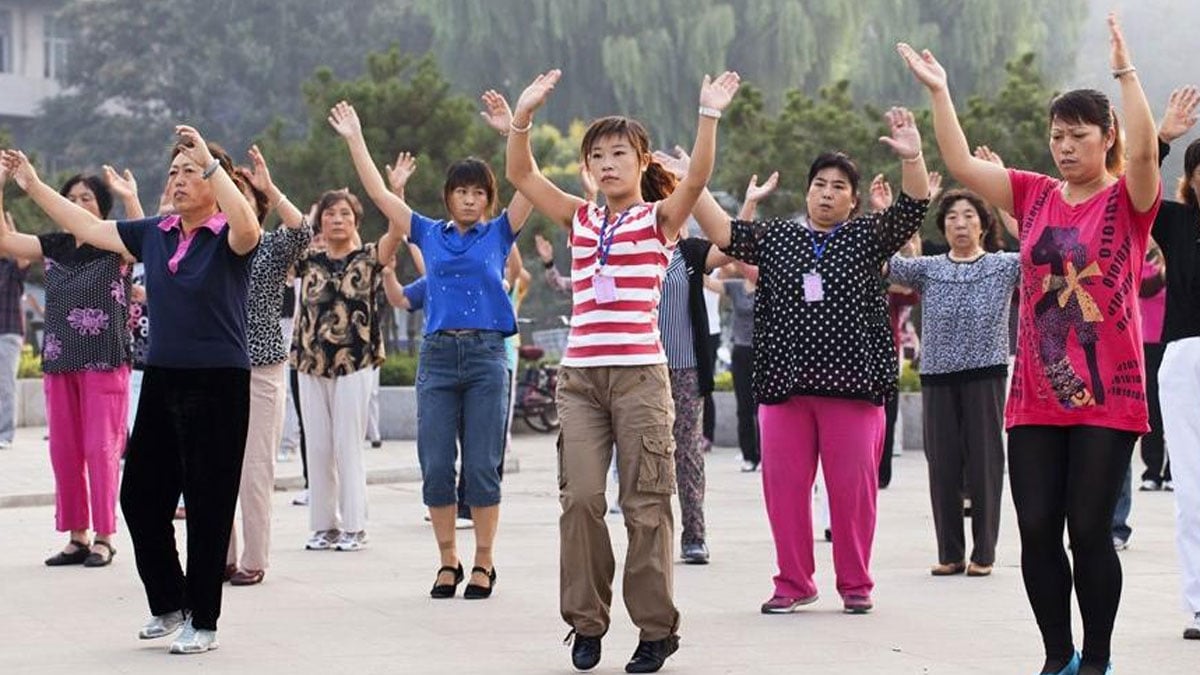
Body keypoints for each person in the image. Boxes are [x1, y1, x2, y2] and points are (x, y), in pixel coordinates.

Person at [900, 13, 1161, 674]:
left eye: (1078, 136)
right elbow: (958, 165)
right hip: (1036, 396)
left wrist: (1126, 73)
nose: (1065, 147)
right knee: (1038, 529)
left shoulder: (1130, 200)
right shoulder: (1035, 192)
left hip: (1109, 395)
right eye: (1057, 136)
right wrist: (940, 92)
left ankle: (1096, 657)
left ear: (1106, 138)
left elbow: (1144, 155)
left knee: (1088, 532)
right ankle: (1059, 656)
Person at [506, 68, 740, 673]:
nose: (607, 164)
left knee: (646, 504)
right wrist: (523, 118)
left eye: (618, 154)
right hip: (580, 379)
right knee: (581, 499)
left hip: (640, 376)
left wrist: (708, 114)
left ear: (639, 163)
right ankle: (586, 623)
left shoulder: (658, 220)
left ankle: (656, 630)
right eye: (597, 156)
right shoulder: (580, 219)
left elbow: (700, 178)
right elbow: (521, 175)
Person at [3, 125, 261, 655]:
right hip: (164, 378)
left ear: (217, 180)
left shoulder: (230, 235)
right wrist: (30, 184)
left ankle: (204, 621)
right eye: (174, 171)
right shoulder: (156, 231)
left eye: (191, 171)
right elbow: (86, 226)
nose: (179, 179)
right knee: (140, 498)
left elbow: (249, 224)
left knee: (209, 506)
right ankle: (169, 603)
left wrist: (209, 158)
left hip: (219, 382)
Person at [692, 103, 930, 619]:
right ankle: (794, 581)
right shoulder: (778, 238)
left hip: (854, 388)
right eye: (820, 183)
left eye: (839, 186)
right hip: (783, 388)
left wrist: (913, 158)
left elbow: (912, 209)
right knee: (784, 493)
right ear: (807, 191)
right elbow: (722, 231)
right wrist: (689, 176)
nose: (827, 192)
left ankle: (855, 583)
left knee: (853, 495)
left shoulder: (869, 237)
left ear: (855, 199)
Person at [329, 93, 528, 598]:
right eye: (460, 191)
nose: (469, 199)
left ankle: (484, 561)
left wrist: (513, 131)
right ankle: (448, 561)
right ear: (447, 196)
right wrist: (356, 140)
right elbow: (377, 193)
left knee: (482, 464)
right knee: (437, 463)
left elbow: (529, 184)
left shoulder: (500, 233)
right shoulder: (427, 232)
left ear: (488, 198)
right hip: (438, 358)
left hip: (486, 356)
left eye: (478, 192)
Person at [0, 167, 142, 568]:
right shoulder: (55, 244)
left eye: (87, 199)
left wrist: (130, 197)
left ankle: (104, 536)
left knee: (100, 449)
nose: (78, 205)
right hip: (61, 358)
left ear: (102, 207)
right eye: (72, 198)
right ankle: (76, 535)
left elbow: (146, 241)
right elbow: (6, 240)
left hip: (105, 359)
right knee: (65, 451)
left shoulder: (116, 242)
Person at [886, 189, 1020, 578]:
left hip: (986, 374)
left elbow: (1044, 259)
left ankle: (984, 552)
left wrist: (1006, 202)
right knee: (942, 463)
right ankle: (950, 552)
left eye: (968, 217)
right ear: (943, 227)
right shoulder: (928, 267)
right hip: (938, 376)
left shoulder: (1003, 265)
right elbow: (885, 264)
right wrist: (889, 215)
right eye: (951, 218)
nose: (960, 224)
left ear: (982, 225)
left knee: (985, 463)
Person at [292, 185, 399, 553]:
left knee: (346, 444)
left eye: (345, 215)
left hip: (355, 360)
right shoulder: (308, 261)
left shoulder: (369, 258)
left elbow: (398, 230)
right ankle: (324, 526)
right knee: (318, 446)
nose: (337, 220)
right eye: (330, 214)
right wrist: (304, 217)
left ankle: (354, 526)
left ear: (356, 221)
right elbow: (290, 242)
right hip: (310, 361)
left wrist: (396, 190)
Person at [224, 145, 312, 585]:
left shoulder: (270, 247)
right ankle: (221, 554)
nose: (234, 200)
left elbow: (302, 232)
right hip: (215, 368)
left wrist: (271, 190)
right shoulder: (210, 247)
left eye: (242, 194)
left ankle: (254, 560)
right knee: (214, 465)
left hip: (260, 368)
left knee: (254, 467)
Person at [1145, 84, 1200, 642]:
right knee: (1192, 487)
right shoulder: (1178, 222)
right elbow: (1127, 191)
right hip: (1186, 357)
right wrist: (1160, 138)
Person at [702, 172, 776, 473]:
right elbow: (725, 254)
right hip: (742, 351)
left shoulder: (772, 283)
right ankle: (749, 456)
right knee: (745, 407)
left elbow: (738, 243)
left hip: (768, 351)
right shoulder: (733, 287)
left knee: (767, 408)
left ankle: (770, 455)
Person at [0, 211, 29, 451]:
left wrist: (11, 230)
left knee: (5, 384)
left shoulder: (13, 267)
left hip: (9, 334)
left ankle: (5, 434)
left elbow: (24, 258)